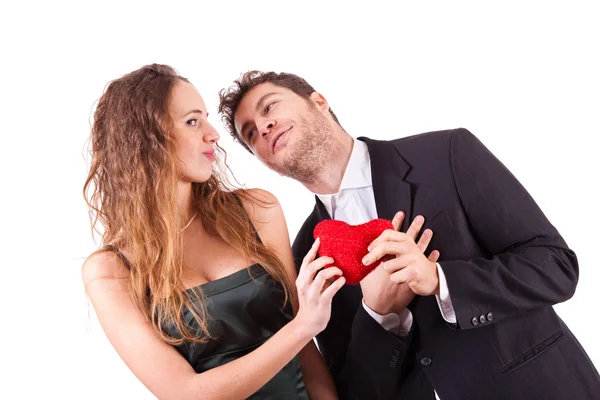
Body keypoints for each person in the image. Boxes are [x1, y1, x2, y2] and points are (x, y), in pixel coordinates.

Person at [218, 71, 600, 400]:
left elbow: (556, 266)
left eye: (269, 107)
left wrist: (440, 280)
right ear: (265, 161)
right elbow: (356, 392)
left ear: (319, 101)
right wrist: (379, 316)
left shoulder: (446, 153)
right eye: (250, 133)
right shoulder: (305, 258)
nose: (263, 126)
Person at [82, 64, 349, 400]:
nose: (214, 134)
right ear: (146, 138)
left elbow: (306, 353)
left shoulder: (256, 211)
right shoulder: (111, 270)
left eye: (206, 118)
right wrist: (301, 328)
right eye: (193, 121)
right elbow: (186, 393)